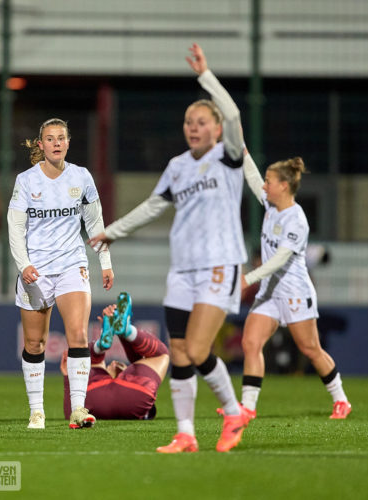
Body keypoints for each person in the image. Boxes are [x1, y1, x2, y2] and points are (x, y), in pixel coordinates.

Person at [88, 43, 249, 452]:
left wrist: (206, 77)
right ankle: (186, 434)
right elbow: (153, 206)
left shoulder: (228, 157)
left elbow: (233, 114)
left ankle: (232, 412)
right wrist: (113, 231)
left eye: (201, 122)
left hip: (219, 265)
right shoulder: (178, 166)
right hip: (182, 271)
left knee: (197, 349)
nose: (193, 128)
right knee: (178, 352)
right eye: (187, 122)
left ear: (215, 129)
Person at [8, 117, 114, 430]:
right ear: (40, 145)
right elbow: (15, 226)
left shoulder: (81, 177)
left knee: (79, 336)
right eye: (50, 138)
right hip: (36, 270)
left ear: (68, 143)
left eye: (61, 138)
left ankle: (79, 409)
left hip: (72, 264)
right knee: (34, 343)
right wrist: (23, 264)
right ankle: (37, 412)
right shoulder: (26, 180)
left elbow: (95, 223)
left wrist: (105, 261)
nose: (56, 143)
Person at [234, 156, 351, 420]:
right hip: (269, 292)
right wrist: (238, 145)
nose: (264, 186)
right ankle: (248, 408)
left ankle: (341, 399)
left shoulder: (296, 220)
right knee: (251, 342)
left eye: (269, 182)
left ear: (284, 186)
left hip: (294, 293)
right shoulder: (271, 205)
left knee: (310, 349)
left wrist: (248, 279)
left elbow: (278, 261)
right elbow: (251, 177)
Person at [61, 295, 169, 421]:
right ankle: (127, 331)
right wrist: (122, 334)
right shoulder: (133, 379)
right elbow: (139, 361)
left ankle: (100, 345)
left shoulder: (97, 377)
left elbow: (70, 411)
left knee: (90, 364)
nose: (114, 362)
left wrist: (68, 379)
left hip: (93, 395)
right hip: (136, 396)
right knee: (161, 354)